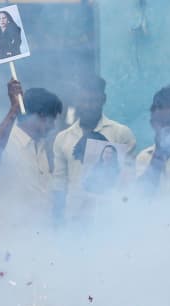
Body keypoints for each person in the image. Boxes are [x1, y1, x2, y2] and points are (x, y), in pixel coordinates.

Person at [0, 80, 63, 258]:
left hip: (39, 248)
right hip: (8, 249)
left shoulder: (41, 147)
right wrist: (14, 110)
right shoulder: (6, 141)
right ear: (40, 115)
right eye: (52, 120)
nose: (53, 126)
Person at [53, 74, 136, 223]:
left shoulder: (121, 133)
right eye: (83, 101)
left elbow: (128, 182)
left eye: (93, 101)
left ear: (103, 99)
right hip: (73, 219)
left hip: (109, 219)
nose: (88, 106)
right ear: (77, 100)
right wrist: (57, 219)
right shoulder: (63, 138)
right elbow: (59, 183)